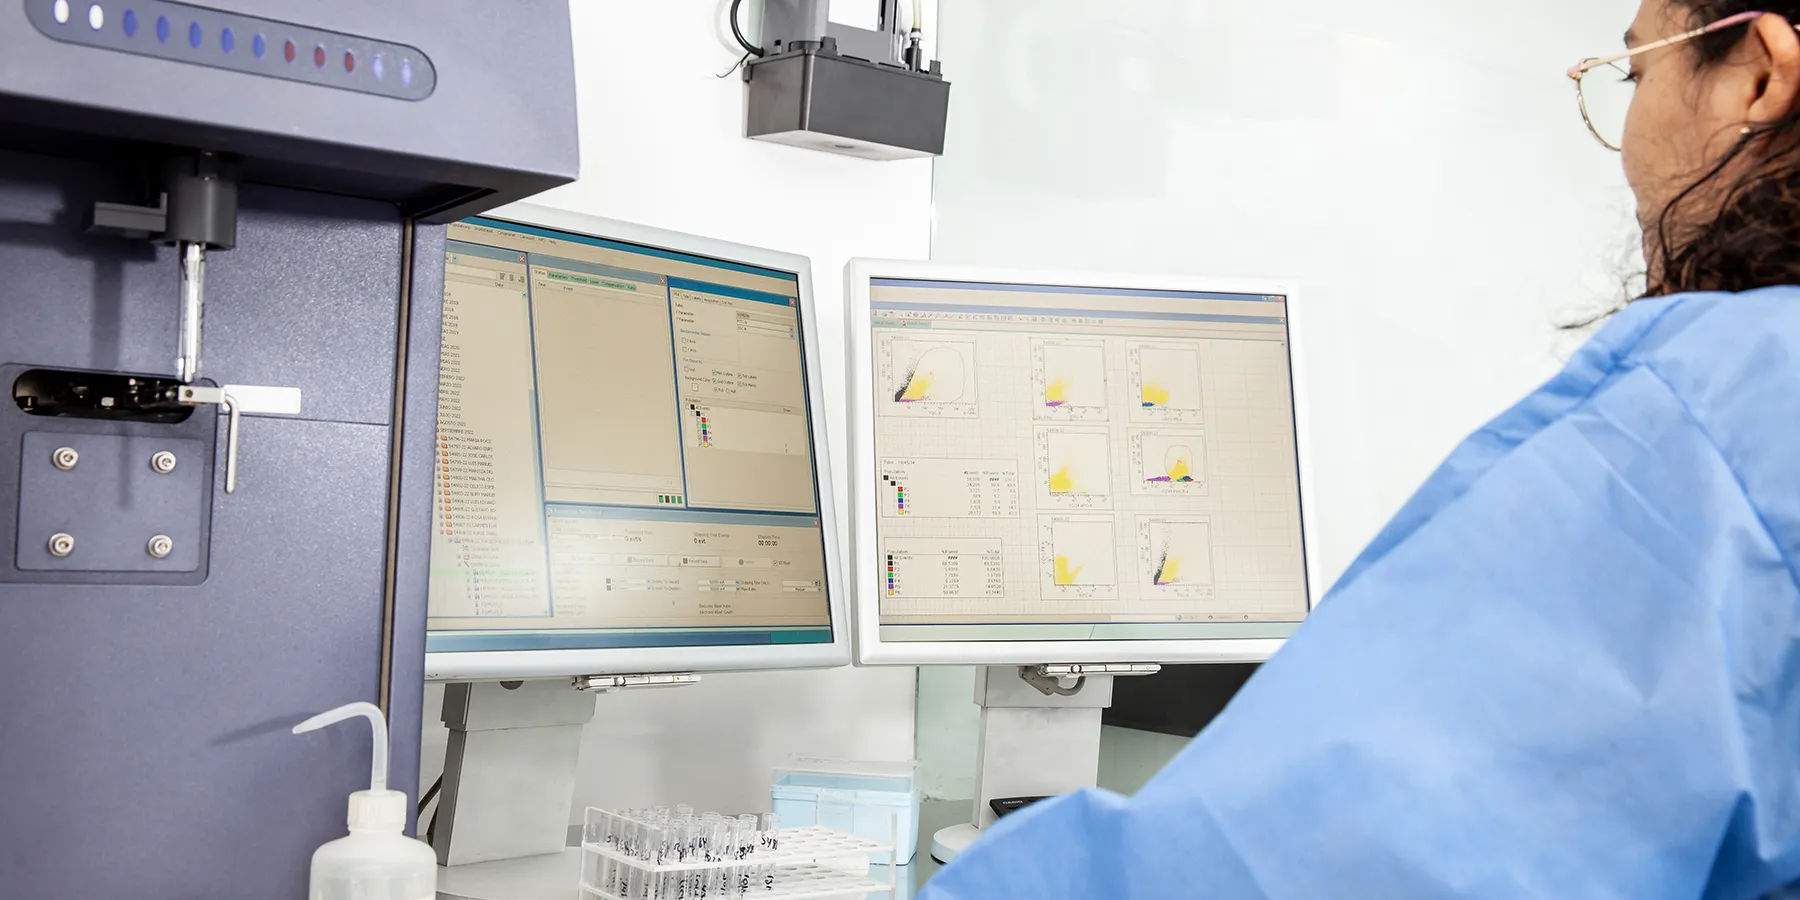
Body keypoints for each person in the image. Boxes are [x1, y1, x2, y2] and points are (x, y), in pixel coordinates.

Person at [918, 1, 1800, 897]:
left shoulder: (1714, 418)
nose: (1626, 142)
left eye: (1638, 73)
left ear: (1762, 75)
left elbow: (1318, 860)